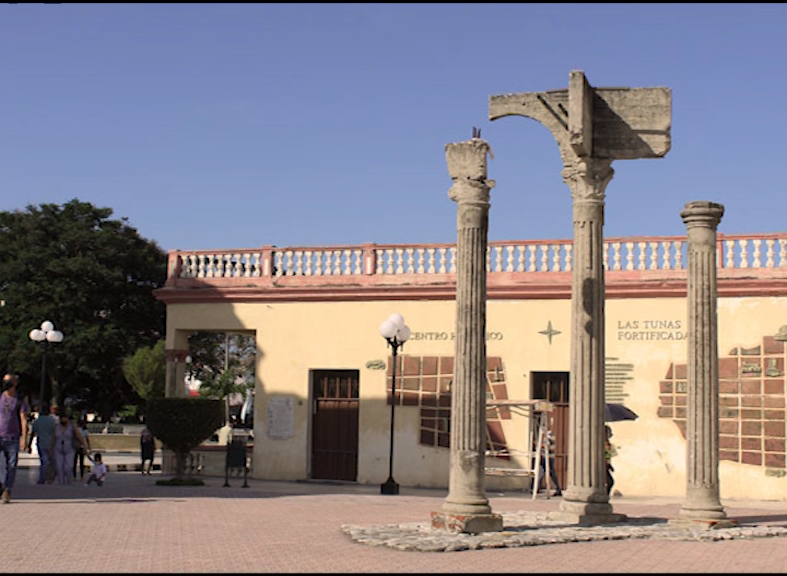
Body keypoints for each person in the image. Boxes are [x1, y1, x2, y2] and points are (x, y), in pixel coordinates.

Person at [0, 374, 30, 503]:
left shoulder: (20, 400)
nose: (6, 383)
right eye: (4, 381)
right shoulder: (0, 397)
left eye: (9, 381)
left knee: (11, 465)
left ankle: (7, 490)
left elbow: (23, 419)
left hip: (13, 437)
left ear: (15, 383)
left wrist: (24, 438)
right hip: (0, 436)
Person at [50, 409, 89, 485]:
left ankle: (69, 481)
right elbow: (53, 438)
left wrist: (85, 447)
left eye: (65, 418)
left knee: (68, 467)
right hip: (58, 448)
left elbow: (80, 437)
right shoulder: (56, 426)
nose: (63, 420)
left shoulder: (72, 426)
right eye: (62, 418)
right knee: (59, 467)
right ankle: (61, 483)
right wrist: (51, 449)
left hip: (69, 448)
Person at [28, 405, 57, 484]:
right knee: (52, 462)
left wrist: (29, 444)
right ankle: (50, 478)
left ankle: (42, 478)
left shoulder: (37, 421)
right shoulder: (52, 421)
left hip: (41, 443)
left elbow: (33, 433)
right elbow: (55, 432)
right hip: (51, 443)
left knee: (43, 461)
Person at [534, 429, 562, 496]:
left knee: (550, 473)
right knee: (541, 472)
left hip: (548, 457)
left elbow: (547, 445)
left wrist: (539, 445)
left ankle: (557, 489)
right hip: (545, 457)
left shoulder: (549, 435)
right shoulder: (547, 436)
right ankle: (536, 488)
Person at [605, 424, 616, 496]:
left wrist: (609, 465)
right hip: (602, 466)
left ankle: (605, 495)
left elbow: (608, 455)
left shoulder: (607, 444)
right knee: (610, 481)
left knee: (610, 482)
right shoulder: (600, 443)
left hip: (606, 466)